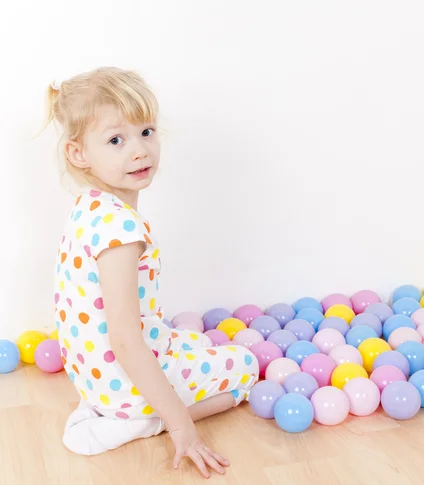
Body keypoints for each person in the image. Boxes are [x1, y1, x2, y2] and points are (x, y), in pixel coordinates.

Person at [46, 67, 259, 478]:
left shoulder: (90, 207)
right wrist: (183, 428)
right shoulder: (122, 231)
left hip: (93, 379)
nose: (140, 150)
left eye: (146, 131)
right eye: (116, 140)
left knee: (193, 341)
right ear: (78, 153)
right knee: (245, 366)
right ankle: (148, 420)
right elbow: (125, 340)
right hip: (122, 384)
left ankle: (133, 406)